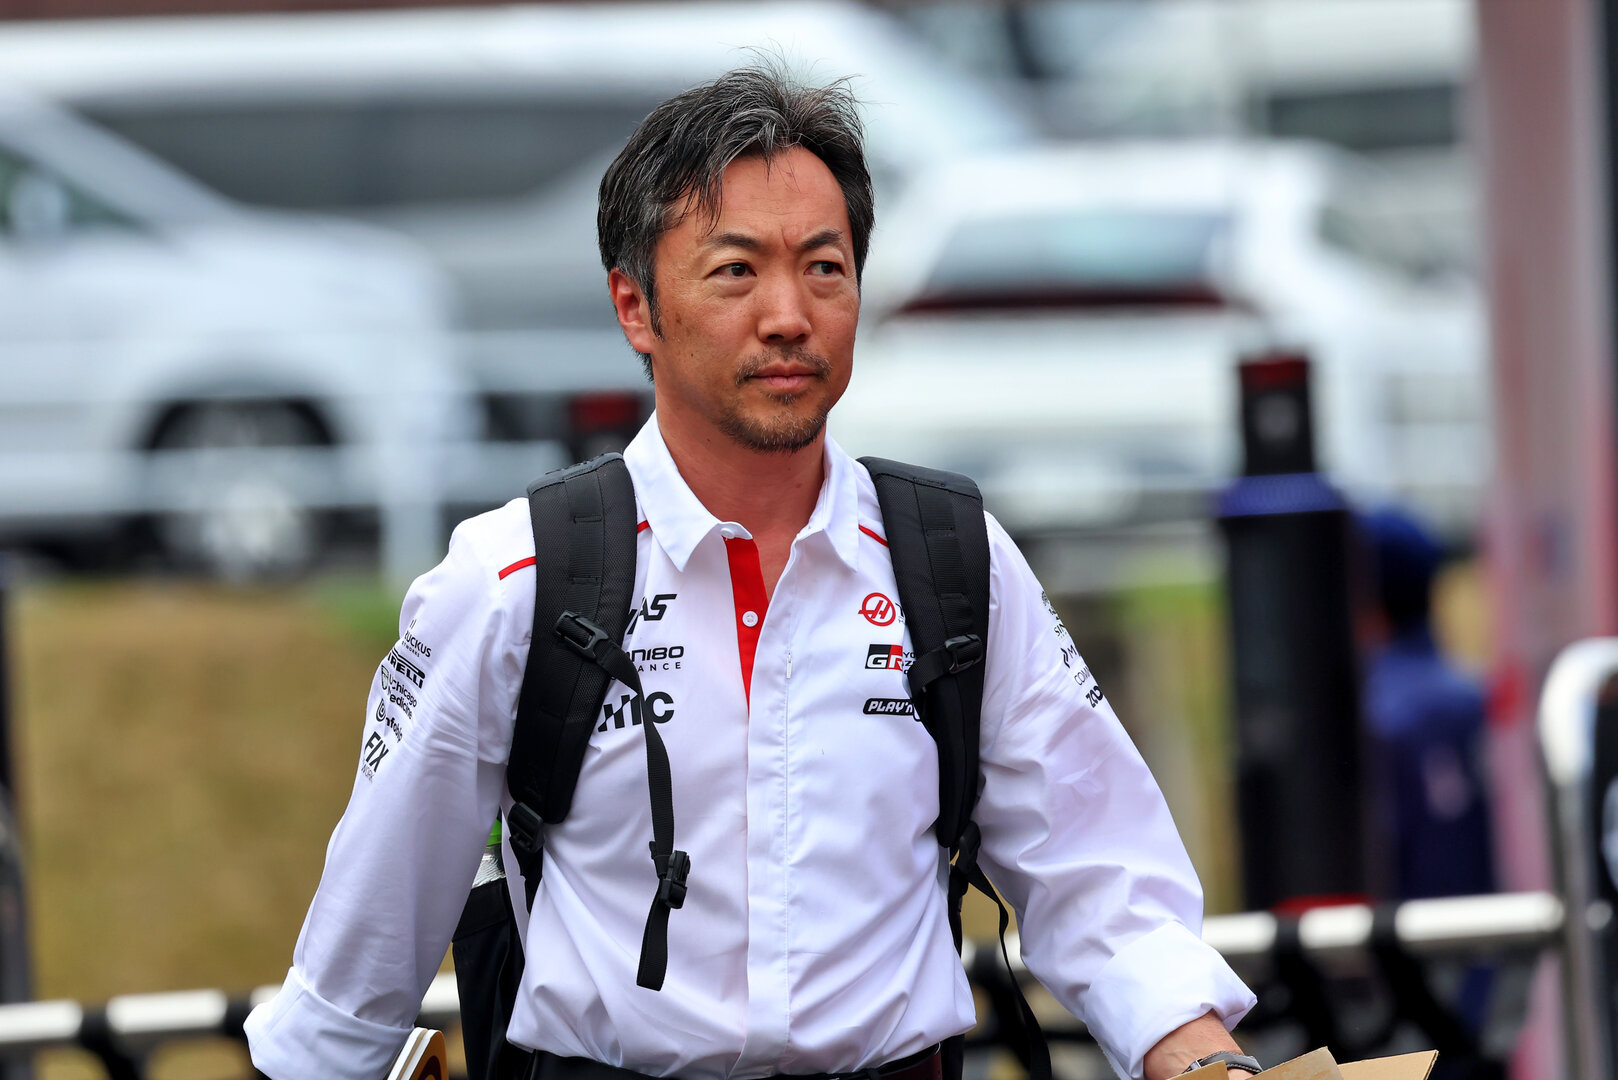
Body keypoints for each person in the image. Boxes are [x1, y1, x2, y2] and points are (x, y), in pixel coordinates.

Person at [244, 64, 1256, 1080]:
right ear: (634, 308)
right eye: (736, 271)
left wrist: (1206, 1061)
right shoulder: (513, 576)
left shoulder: (951, 558)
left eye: (825, 268)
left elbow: (1102, 884)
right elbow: (356, 973)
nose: (789, 314)